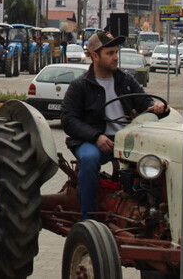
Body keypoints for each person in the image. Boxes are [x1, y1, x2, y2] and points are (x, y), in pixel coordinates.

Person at [61, 31, 166, 220]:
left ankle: (152, 211)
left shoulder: (125, 81)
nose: (115, 57)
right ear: (95, 56)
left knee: (158, 161)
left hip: (124, 140)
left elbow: (144, 102)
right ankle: (89, 218)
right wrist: (95, 136)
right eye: (109, 53)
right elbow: (69, 120)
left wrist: (156, 107)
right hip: (92, 140)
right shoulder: (80, 85)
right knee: (90, 159)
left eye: (116, 52)